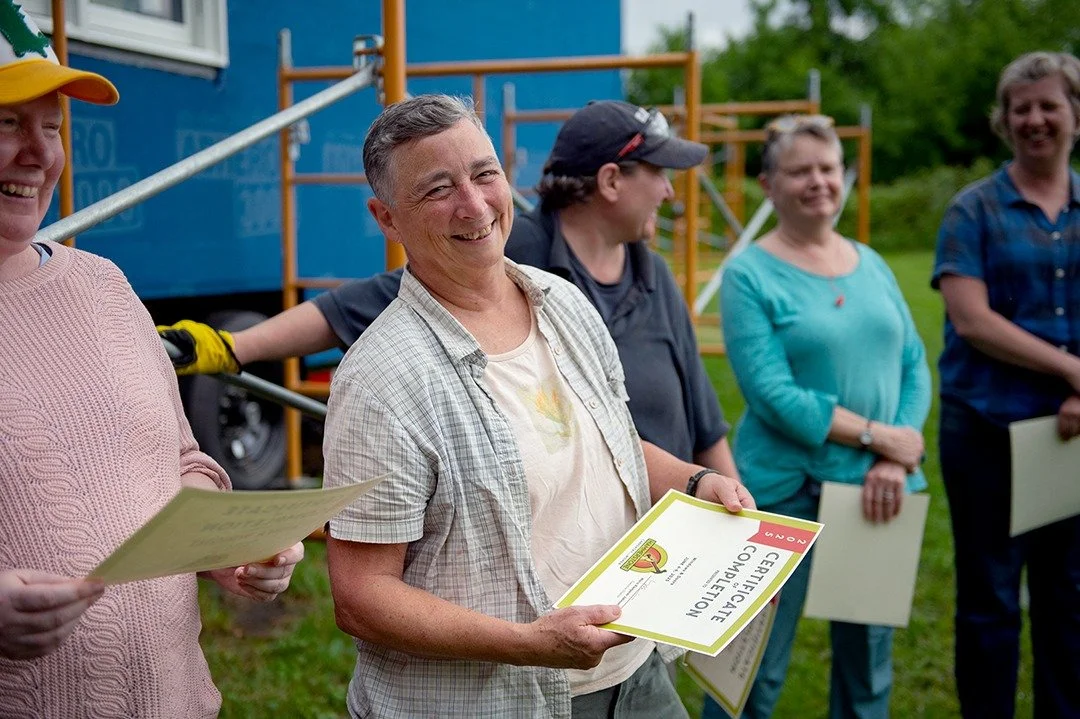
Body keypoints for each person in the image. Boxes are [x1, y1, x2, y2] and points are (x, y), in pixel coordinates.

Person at [320, 93, 755, 719]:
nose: (473, 206)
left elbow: (608, 446)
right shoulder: (381, 381)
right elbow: (361, 597)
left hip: (635, 675)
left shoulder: (563, 303)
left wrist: (695, 481)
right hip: (501, 699)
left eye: (484, 174)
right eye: (437, 189)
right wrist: (530, 645)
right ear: (386, 218)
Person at [159, 100, 737, 479]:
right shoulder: (503, 255)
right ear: (611, 181)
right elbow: (351, 308)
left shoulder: (651, 272)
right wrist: (231, 348)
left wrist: (733, 508)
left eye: (486, 175)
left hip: (664, 511)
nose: (668, 193)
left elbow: (703, 415)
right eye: (660, 174)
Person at [0, 6, 303, 716]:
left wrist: (229, 544)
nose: (38, 154)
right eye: (7, 123)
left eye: (52, 128)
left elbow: (182, 461)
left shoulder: (104, 283)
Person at [714, 115, 931, 719]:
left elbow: (915, 363)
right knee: (751, 676)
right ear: (769, 184)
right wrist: (877, 435)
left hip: (876, 491)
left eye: (828, 168)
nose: (818, 181)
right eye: (800, 170)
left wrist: (893, 453)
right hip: (786, 494)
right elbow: (771, 393)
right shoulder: (748, 275)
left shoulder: (871, 261)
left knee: (867, 675)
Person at [932, 51, 1080, 719]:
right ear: (1004, 119)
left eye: (1048, 104)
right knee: (989, 600)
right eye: (1020, 107)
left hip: (1070, 436)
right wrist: (1071, 369)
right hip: (988, 434)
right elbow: (972, 319)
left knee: (1070, 596)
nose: (1034, 119)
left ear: (1075, 112)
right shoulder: (974, 210)